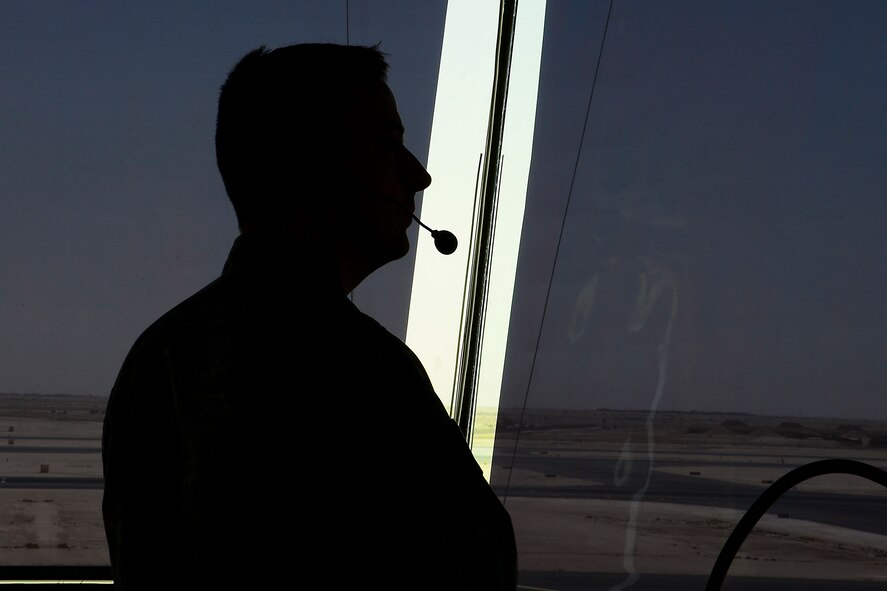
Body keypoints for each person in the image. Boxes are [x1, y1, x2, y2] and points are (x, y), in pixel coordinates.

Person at [101, 43, 517, 589]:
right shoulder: (360, 367)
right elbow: (475, 566)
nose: (418, 175)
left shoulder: (158, 358)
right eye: (388, 146)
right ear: (312, 166)